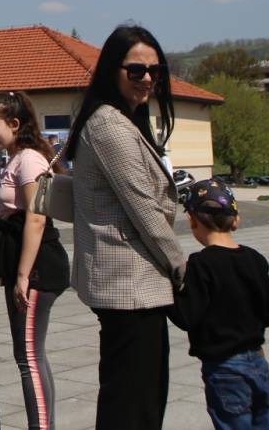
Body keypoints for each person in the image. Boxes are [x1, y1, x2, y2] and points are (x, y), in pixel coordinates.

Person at [62, 24, 185, 430]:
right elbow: (145, 211)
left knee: (137, 397)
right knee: (132, 404)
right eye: (136, 70)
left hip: (134, 286)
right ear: (112, 71)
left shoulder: (123, 121)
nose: (147, 78)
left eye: (155, 70)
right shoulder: (110, 127)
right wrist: (182, 268)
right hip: (128, 287)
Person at [168, 178, 269, 430]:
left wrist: (170, 290)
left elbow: (186, 316)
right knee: (262, 422)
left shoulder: (201, 265)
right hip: (257, 362)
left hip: (224, 368)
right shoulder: (254, 259)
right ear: (236, 221)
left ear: (192, 221)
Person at [0, 91, 71, 430]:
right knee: (31, 356)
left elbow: (37, 218)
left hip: (37, 269)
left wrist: (23, 276)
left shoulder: (30, 160)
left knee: (29, 359)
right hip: (25, 266)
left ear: (15, 124)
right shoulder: (17, 157)